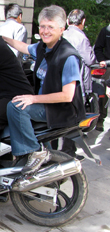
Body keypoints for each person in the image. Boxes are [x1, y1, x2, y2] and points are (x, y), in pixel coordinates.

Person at [3, 5, 86, 175]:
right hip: (47, 104)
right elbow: (24, 47)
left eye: (51, 27)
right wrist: (5, 39)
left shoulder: (67, 55)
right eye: (42, 26)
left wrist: (33, 99)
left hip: (62, 109)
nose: (45, 31)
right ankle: (44, 164)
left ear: (62, 29)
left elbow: (67, 95)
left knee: (16, 106)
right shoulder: (44, 47)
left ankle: (33, 152)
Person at [60, 9, 96, 156]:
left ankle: (54, 150)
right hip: (75, 84)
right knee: (72, 119)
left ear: (68, 21)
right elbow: (90, 60)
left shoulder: (62, 34)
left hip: (59, 82)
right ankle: (68, 153)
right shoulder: (81, 38)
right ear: (83, 22)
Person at [94, 25, 110, 131]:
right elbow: (98, 47)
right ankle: (100, 120)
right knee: (104, 95)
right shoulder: (106, 30)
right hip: (108, 67)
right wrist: (102, 61)